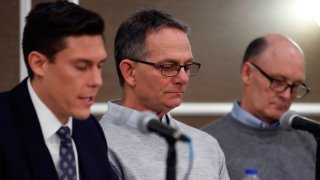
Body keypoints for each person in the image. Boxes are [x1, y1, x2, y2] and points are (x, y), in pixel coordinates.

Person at [99, 9, 229, 180]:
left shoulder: (206, 145)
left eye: (187, 67)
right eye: (168, 67)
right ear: (130, 72)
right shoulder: (98, 146)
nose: (183, 78)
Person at [0, 1, 118, 179]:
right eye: (81, 66)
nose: (97, 81)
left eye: (99, 66)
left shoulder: (90, 128)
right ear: (39, 64)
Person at [202, 34, 316, 180]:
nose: (287, 95)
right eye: (278, 81)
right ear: (247, 73)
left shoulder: (311, 141)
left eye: (296, 85)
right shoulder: (207, 145)